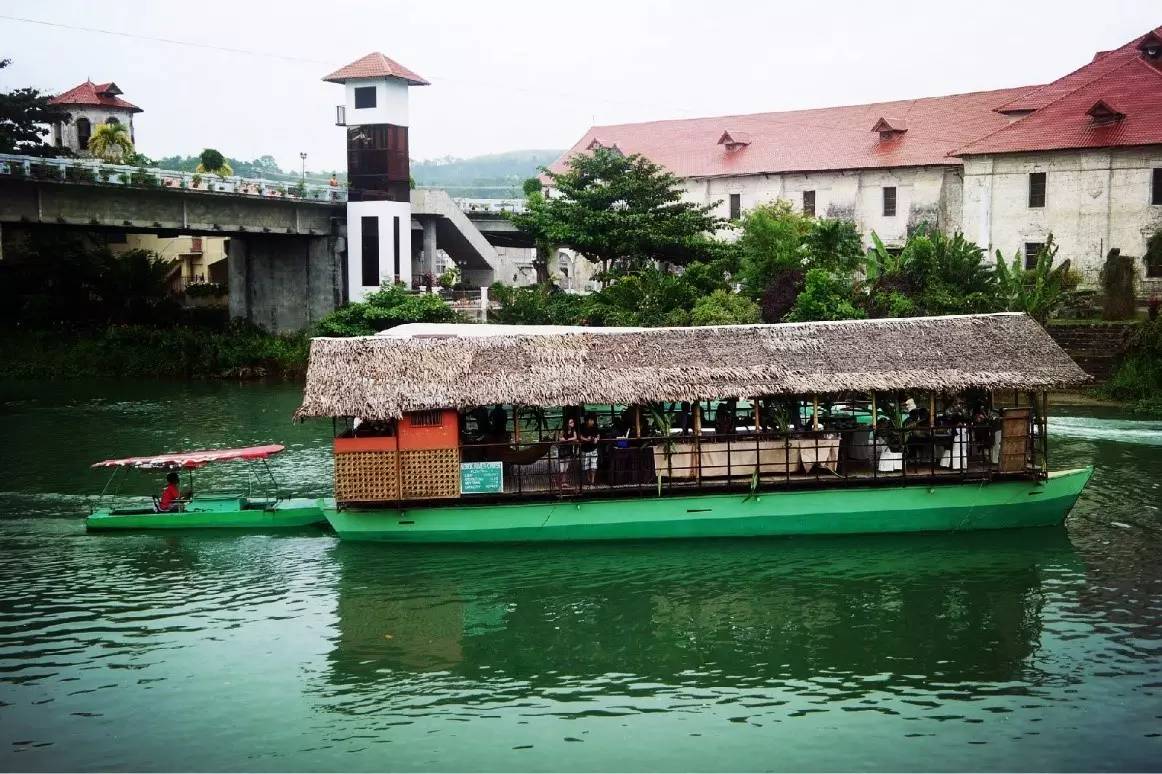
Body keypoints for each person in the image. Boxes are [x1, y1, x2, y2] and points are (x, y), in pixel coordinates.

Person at [557, 417, 580, 489]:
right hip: (563, 450)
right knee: (561, 468)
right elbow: (560, 439)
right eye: (571, 422)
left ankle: (564, 482)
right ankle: (560, 482)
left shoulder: (573, 431)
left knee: (566, 468)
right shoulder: (563, 431)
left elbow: (575, 438)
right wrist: (570, 440)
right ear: (567, 424)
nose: (572, 423)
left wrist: (566, 439)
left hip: (569, 450)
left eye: (573, 422)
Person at [578, 413, 600, 486]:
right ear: (587, 421)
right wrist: (586, 439)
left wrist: (597, 438)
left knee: (594, 465)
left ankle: (593, 480)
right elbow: (580, 436)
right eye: (591, 420)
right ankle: (588, 479)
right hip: (585, 448)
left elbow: (598, 434)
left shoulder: (595, 426)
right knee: (586, 465)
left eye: (593, 420)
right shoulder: (582, 426)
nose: (593, 421)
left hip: (593, 448)